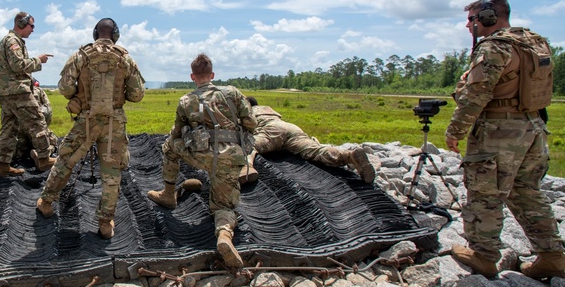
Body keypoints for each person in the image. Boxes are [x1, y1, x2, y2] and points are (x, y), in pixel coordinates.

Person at [445, 0, 565, 280]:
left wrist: (456, 130)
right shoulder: (533, 42)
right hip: (533, 127)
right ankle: (553, 256)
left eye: (472, 19)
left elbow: (476, 94)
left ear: (489, 18)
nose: (468, 25)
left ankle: (483, 255)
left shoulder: (494, 47)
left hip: (499, 131)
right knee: (527, 191)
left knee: (485, 193)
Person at [35, 18, 145, 239]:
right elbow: (137, 94)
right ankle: (105, 222)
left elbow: (65, 88)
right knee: (112, 173)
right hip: (114, 123)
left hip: (86, 120)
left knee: (66, 160)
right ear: (115, 34)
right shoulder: (125, 59)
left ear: (95, 33)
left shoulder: (81, 56)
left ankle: (46, 203)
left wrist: (80, 96)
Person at [147, 54, 256, 268]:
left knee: (170, 147)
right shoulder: (232, 92)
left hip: (201, 155)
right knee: (224, 205)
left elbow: (176, 133)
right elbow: (250, 122)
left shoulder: (186, 101)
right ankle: (224, 235)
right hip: (231, 158)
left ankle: (169, 195)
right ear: (213, 75)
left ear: (192, 76)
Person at [239, 97, 375, 184]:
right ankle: (348, 156)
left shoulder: (249, 111)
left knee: (248, 146)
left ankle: (247, 167)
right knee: (315, 150)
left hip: (271, 131)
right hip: (291, 128)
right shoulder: (268, 109)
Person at [0, 12, 55, 176]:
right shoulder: (13, 42)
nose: (33, 30)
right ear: (21, 24)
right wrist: (38, 60)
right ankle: (44, 158)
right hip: (17, 90)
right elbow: (18, 65)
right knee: (37, 121)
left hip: (6, 91)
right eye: (31, 26)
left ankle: (4, 165)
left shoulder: (7, 41)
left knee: (9, 128)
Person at [13, 80, 59, 163]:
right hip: (36, 128)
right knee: (53, 140)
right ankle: (41, 155)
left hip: (19, 130)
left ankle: (17, 153)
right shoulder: (39, 91)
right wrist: (44, 127)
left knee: (18, 145)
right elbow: (48, 112)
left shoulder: (14, 93)